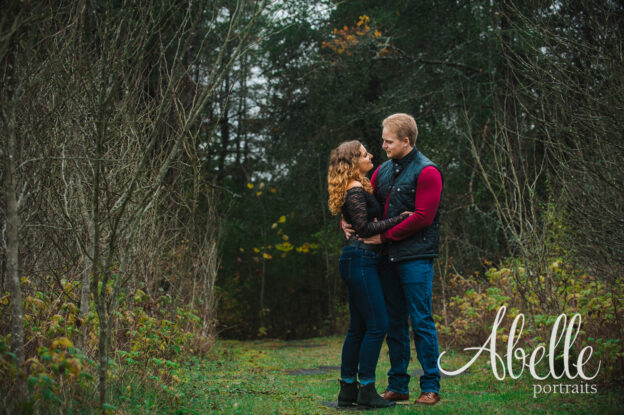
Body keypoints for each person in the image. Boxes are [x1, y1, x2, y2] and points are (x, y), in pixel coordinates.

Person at [342, 113, 443, 405]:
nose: (383, 145)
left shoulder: (428, 172)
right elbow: (362, 205)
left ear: (406, 141)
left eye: (388, 141)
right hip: (385, 259)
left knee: (421, 320)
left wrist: (385, 237)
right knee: (394, 322)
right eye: (383, 140)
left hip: (416, 257)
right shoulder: (381, 172)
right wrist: (346, 222)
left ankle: (431, 386)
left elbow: (424, 217)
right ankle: (398, 384)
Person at [327, 140, 411, 409]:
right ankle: (366, 389)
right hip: (360, 259)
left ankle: (348, 390)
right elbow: (363, 228)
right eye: (365, 154)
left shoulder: (357, 186)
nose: (371, 155)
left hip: (358, 259)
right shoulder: (354, 189)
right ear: (354, 162)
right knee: (378, 325)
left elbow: (357, 222)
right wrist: (401, 218)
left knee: (358, 328)